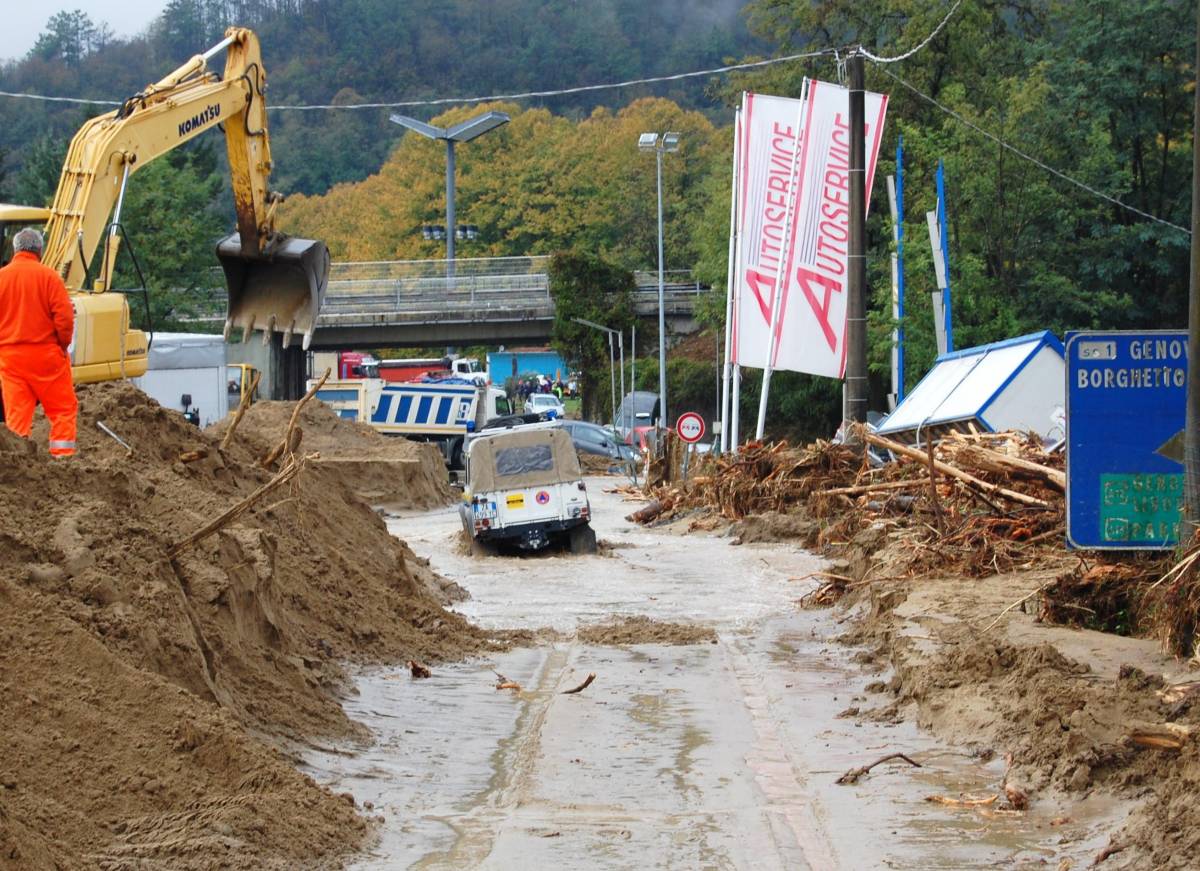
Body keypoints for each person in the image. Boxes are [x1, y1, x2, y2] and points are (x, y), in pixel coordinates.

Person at [0, 228, 78, 456]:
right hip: (46, 358)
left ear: (15, 249)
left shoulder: (2, 278)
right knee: (63, 410)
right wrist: (62, 346)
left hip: (10, 360)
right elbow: (64, 318)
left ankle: (18, 462)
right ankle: (62, 461)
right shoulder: (50, 277)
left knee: (16, 417)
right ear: (40, 250)